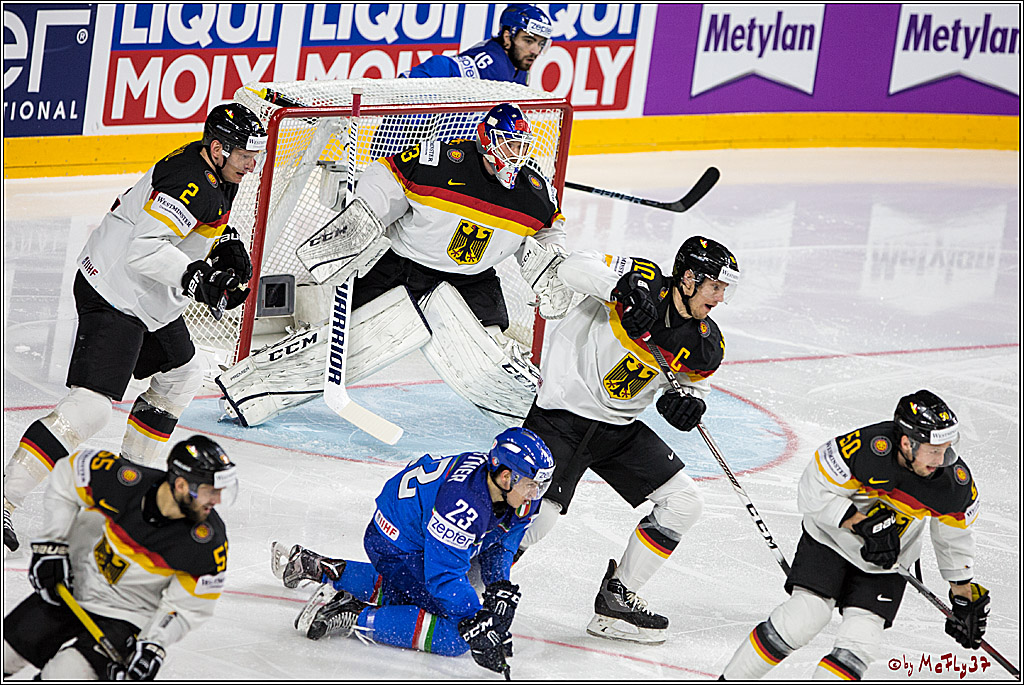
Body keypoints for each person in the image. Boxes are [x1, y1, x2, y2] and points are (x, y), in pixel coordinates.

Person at [3, 103, 264, 552]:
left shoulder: (220, 172)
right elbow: (143, 251)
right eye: (245, 154)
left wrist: (223, 244)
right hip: (114, 290)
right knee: (90, 408)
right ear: (218, 149)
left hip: (147, 297)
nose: (252, 163)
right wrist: (195, 277)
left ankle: (123, 497)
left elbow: (191, 227)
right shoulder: (189, 179)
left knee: (182, 375)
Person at [218, 102, 571, 428]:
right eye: (508, 144)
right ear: (485, 140)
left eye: (521, 145)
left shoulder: (532, 191)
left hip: (473, 281)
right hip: (403, 268)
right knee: (344, 339)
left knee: (490, 353)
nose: (516, 154)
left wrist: (554, 269)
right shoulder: (439, 159)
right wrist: (360, 222)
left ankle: (537, 420)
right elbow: (387, 177)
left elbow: (550, 232)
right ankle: (251, 390)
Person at [515, 236, 741, 643]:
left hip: (617, 430)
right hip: (563, 415)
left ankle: (616, 603)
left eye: (724, 289)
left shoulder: (705, 342)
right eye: (715, 287)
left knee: (684, 503)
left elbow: (694, 387)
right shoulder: (642, 278)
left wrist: (689, 404)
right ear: (688, 279)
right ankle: (467, 585)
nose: (720, 298)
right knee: (537, 518)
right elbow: (572, 266)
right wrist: (619, 289)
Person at [719, 390, 988, 680]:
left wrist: (962, 594)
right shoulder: (864, 449)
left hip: (887, 562)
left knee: (859, 644)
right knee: (803, 618)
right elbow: (813, 489)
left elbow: (953, 537)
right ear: (907, 443)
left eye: (947, 448)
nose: (942, 459)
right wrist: (859, 523)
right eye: (934, 450)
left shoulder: (954, 485)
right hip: (830, 541)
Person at [270, 427, 555, 678]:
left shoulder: (508, 492)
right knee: (457, 636)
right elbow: (443, 577)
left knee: (433, 600)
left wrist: (499, 584)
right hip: (393, 545)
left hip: (414, 535)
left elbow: (501, 539)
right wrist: (475, 619)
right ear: (506, 477)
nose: (536, 493)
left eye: (541, 485)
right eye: (532, 485)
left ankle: (319, 567)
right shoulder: (462, 506)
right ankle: (349, 611)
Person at [3, 436, 236, 680]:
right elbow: (67, 474)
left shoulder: (208, 543)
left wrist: (153, 645)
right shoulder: (124, 481)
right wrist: (52, 545)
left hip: (127, 617)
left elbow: (188, 607)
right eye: (211, 491)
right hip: (72, 587)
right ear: (180, 485)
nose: (217, 500)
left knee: (63, 675)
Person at [404, 4, 553, 84]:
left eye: (541, 44)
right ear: (507, 37)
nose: (535, 50)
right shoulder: (490, 61)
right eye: (528, 41)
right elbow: (439, 65)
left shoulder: (521, 71)